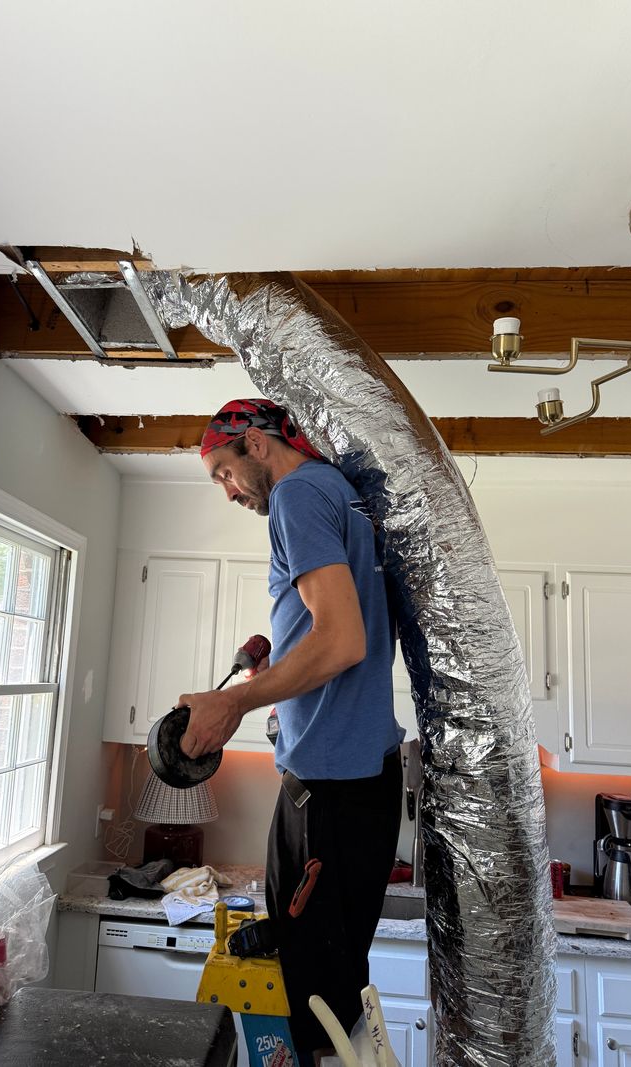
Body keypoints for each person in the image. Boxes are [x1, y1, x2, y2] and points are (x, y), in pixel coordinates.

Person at [177, 398, 403, 1065]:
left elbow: (341, 641)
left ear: (254, 442)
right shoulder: (342, 493)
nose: (227, 491)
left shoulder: (298, 495)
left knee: (316, 1007)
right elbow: (345, 634)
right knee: (330, 986)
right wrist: (282, 668)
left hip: (330, 791)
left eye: (223, 471)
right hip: (350, 778)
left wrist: (236, 703)